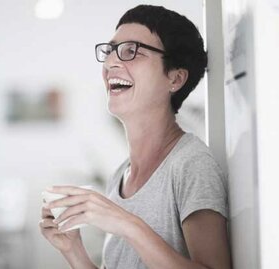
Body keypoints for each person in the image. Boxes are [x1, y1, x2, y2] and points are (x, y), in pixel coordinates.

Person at [39, 4, 231, 269]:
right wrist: (73, 250)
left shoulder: (191, 164)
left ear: (174, 79)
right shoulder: (120, 176)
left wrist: (127, 223)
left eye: (132, 51)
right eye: (110, 50)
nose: (110, 62)